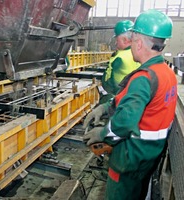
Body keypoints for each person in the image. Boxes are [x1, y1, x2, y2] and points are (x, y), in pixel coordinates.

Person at [83, 9, 177, 200]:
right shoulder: (165, 73)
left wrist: (101, 134)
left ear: (139, 43)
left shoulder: (143, 78)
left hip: (130, 159)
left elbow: (124, 124)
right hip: (149, 155)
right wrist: (105, 107)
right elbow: (136, 100)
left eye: (132, 41)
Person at [99, 20, 140, 103]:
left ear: (125, 40)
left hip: (117, 99)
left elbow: (111, 85)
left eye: (117, 40)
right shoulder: (138, 53)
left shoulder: (120, 57)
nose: (115, 43)